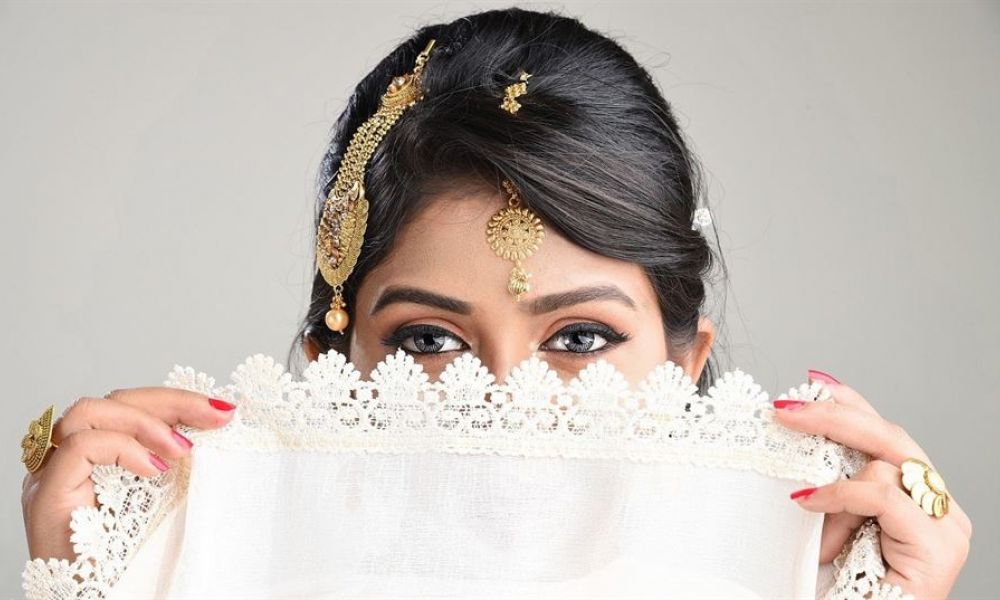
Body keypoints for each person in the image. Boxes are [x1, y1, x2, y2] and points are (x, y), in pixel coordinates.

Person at [20, 7, 970, 598]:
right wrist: (97, 571)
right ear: (331, 369)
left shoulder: (792, 579)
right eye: (427, 339)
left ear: (685, 364)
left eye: (581, 337)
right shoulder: (204, 570)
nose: (506, 400)